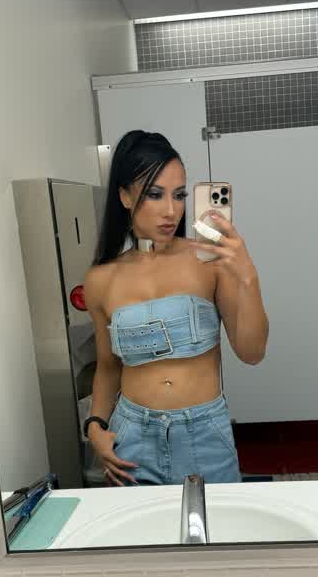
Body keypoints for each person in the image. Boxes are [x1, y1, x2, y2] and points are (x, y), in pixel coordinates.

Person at [83, 130, 269, 486]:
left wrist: (248, 276)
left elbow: (252, 352)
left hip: (205, 435)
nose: (171, 210)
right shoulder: (101, 280)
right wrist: (95, 426)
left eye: (179, 194)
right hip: (132, 441)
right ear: (124, 196)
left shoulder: (208, 261)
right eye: (155, 194)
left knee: (220, 523)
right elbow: (107, 367)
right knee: (141, 525)